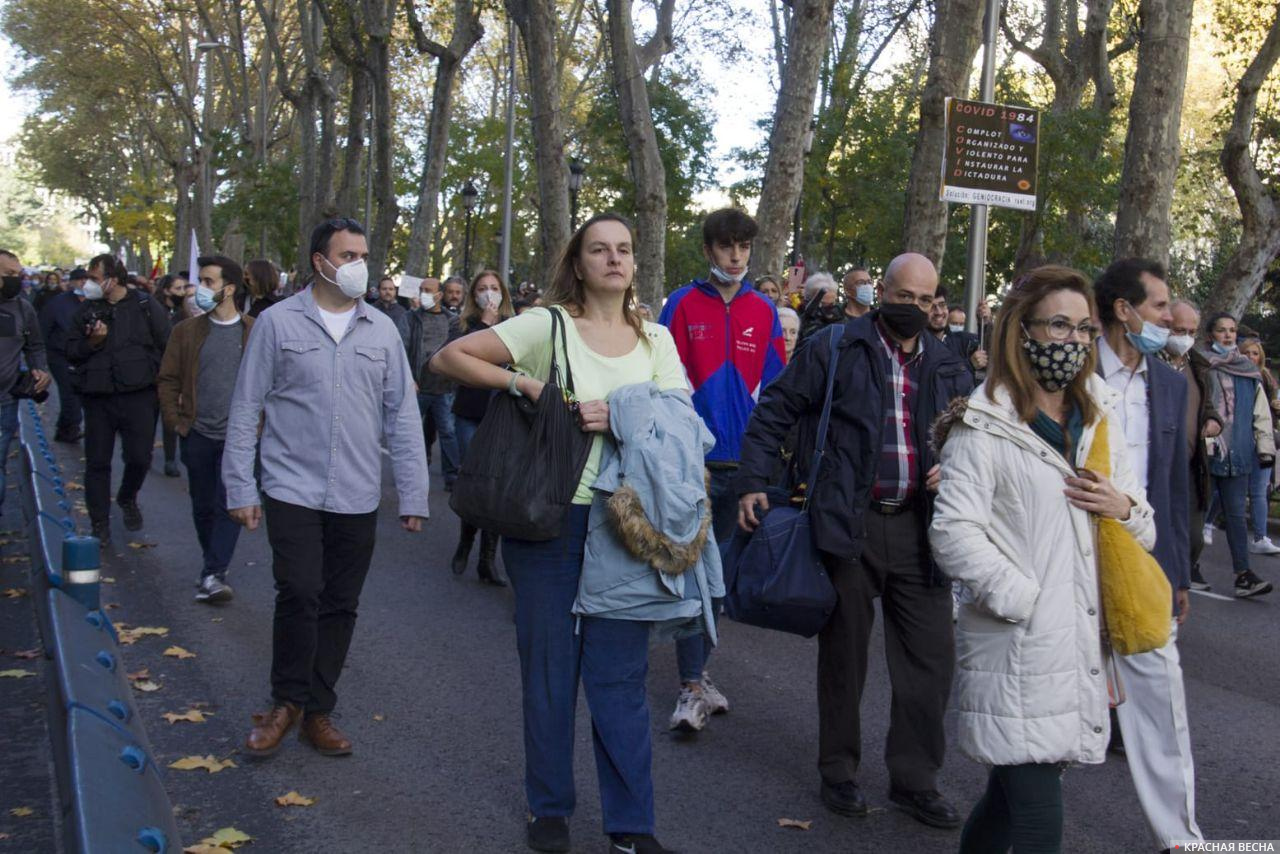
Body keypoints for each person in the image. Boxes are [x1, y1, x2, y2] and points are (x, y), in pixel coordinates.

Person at [430, 212, 688, 854]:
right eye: (599, 249)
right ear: (577, 262)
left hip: (629, 527)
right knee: (550, 673)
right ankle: (549, 809)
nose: (613, 259)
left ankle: (633, 828)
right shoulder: (548, 326)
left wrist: (624, 413)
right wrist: (526, 383)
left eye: (624, 249)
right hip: (552, 519)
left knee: (620, 681)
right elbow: (448, 356)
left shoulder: (657, 340)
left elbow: (684, 423)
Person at [736, 252, 972, 827]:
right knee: (844, 656)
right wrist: (753, 482)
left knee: (930, 662)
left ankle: (915, 781)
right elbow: (776, 408)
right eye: (903, 295)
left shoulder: (948, 364)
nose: (913, 307)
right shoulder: (836, 347)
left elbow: (973, 436)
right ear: (875, 293)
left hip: (922, 529)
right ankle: (838, 772)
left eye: (925, 299)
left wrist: (956, 466)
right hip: (848, 524)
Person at [928, 265, 1155, 853]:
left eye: (1084, 328)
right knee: (1036, 815)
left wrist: (1122, 505)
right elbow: (954, 533)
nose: (1075, 341)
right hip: (1018, 643)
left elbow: (1144, 525)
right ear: (1021, 330)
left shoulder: (1098, 418)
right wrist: (1023, 600)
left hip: (1078, 640)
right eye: (1059, 325)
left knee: (1009, 800)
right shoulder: (983, 427)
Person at [223, 216, 428, 758]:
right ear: (320, 262)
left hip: (358, 492)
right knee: (299, 590)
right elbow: (246, 408)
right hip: (291, 486)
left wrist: (413, 494)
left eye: (364, 254)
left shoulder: (382, 329)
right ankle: (285, 702)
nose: (360, 264)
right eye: (348, 254)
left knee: (340, 602)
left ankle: (319, 710)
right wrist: (239, 486)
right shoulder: (276, 324)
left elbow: (403, 417)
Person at [659, 207, 785, 732]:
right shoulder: (681, 305)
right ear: (708, 250)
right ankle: (690, 686)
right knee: (694, 577)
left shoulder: (765, 311)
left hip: (746, 471)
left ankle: (698, 672)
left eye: (744, 247)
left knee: (720, 584)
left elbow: (778, 396)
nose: (736, 256)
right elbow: (664, 384)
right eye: (726, 246)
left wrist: (768, 467)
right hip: (696, 467)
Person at [1091, 257, 1203, 849]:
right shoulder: (1071, 369)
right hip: (1073, 568)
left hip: (1144, 563)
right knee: (1054, 722)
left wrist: (1177, 572)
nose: (1169, 319)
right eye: (1160, 307)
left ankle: (1180, 838)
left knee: (1163, 709)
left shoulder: (1171, 382)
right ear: (1123, 310)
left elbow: (1173, 484)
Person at [157, 255, 254, 605]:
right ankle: (212, 567)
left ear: (229, 289)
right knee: (202, 505)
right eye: (201, 281)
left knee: (230, 503)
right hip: (196, 433)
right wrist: (176, 421)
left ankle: (214, 573)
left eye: (209, 282)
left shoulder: (254, 331)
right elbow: (167, 379)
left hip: (239, 439)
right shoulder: (185, 332)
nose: (201, 288)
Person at [65, 253, 171, 544]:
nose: (89, 284)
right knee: (97, 462)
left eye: (95, 278)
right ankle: (99, 523)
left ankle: (127, 496)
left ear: (113, 278)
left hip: (139, 396)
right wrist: (92, 343)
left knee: (139, 457)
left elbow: (167, 343)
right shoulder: (86, 310)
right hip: (98, 397)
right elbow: (71, 350)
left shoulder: (144, 305)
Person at [447, 269, 515, 586]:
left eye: (494, 288)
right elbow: (453, 359)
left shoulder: (515, 327)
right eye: (483, 289)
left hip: (502, 416)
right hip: (469, 412)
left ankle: (488, 560)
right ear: (474, 296)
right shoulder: (465, 326)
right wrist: (485, 322)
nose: (489, 293)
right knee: (473, 480)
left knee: (497, 487)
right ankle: (465, 542)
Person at [1199, 312, 1275, 597]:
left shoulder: (1248, 372)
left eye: (1232, 331)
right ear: (1211, 335)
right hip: (1206, 455)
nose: (1228, 336)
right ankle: (1188, 567)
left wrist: (1265, 450)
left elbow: (1261, 415)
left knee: (1235, 516)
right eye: (1222, 331)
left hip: (1239, 455)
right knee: (1198, 516)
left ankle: (1243, 574)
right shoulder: (1202, 367)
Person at [1161, 300, 1223, 592]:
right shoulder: (1148, 361)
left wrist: (1213, 421)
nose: (1184, 336)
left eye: (1191, 331)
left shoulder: (1198, 367)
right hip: (1155, 466)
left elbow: (1208, 407)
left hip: (1190, 466)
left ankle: (1176, 585)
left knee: (1194, 538)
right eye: (1178, 329)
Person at [0, 250, 52, 514]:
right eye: (9, 274)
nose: (16, 280)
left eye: (18, 274)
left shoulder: (23, 308)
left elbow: (35, 345)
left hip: (4, 401)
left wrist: (39, 369)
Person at [406, 276, 462, 492]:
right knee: (411, 432)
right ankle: (413, 474)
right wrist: (409, 378)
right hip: (418, 386)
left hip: (443, 388)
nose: (423, 294)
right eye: (421, 289)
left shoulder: (452, 320)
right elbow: (403, 346)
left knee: (447, 432)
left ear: (439, 294)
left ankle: (451, 476)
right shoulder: (412, 318)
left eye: (428, 290)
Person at [1238, 333, 1280, 554]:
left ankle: (1260, 537)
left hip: (1263, 440)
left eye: (1255, 353)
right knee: (1225, 489)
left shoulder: (1266, 378)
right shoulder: (1233, 374)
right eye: (1246, 353)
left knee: (1258, 490)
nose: (1251, 357)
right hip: (1240, 440)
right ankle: (1206, 521)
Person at [39, 268, 86, 442]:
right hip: (59, 356)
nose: (83, 283)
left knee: (78, 394)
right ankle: (71, 428)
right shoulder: (57, 303)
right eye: (79, 280)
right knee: (69, 393)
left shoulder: (93, 302)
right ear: (71, 282)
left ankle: (64, 429)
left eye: (86, 280)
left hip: (81, 356)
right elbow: (43, 328)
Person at [927, 285, 985, 381]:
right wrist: (969, 364)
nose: (939, 312)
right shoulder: (918, 344)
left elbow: (990, 348)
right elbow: (934, 375)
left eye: (942, 305)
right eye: (932, 307)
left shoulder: (959, 340)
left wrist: (985, 323)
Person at [797, 272, 843, 346]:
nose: (830, 308)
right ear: (809, 300)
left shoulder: (841, 317)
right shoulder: (797, 319)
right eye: (823, 304)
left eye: (832, 304)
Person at [373, 275, 410, 346]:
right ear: (378, 291)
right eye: (384, 289)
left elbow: (405, 337)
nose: (387, 292)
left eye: (391, 289)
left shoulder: (402, 312)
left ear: (395, 291)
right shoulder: (371, 310)